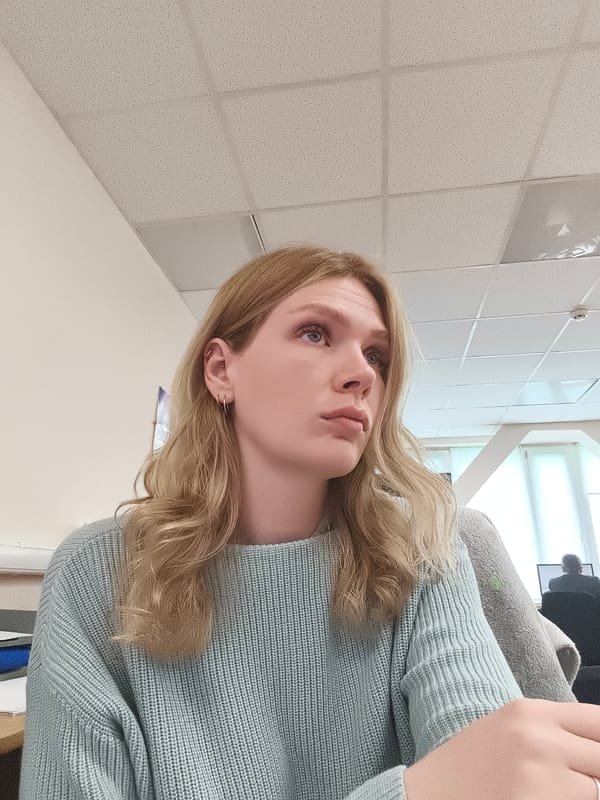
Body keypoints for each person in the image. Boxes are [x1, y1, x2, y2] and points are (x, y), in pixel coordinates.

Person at [20, 246, 600, 799]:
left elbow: (488, 767)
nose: (362, 374)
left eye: (376, 355)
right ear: (222, 369)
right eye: (315, 333)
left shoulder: (421, 551)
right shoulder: (95, 574)